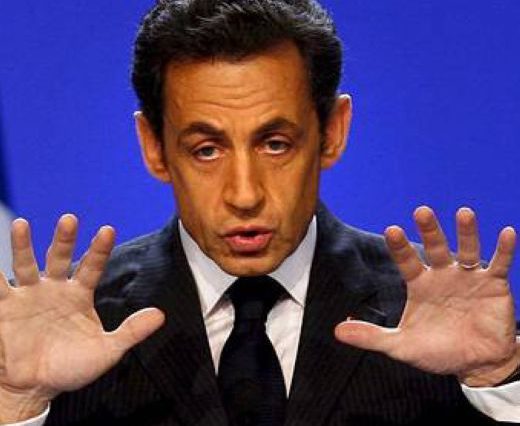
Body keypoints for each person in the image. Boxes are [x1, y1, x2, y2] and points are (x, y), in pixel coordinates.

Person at [0, 0, 518, 425]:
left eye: (275, 144)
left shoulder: (440, 320)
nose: (244, 195)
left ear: (332, 131)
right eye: (206, 149)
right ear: (153, 146)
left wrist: (498, 378)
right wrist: (16, 405)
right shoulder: (74, 329)